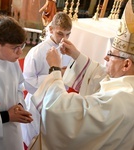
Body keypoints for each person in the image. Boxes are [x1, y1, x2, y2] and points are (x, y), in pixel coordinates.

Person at [29, 1, 134, 149]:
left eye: (111, 55)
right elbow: (101, 78)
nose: (105, 58)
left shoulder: (120, 101)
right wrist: (76, 55)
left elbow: (62, 112)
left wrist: (54, 69)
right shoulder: (126, 86)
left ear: (126, 64)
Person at [21, 11, 72, 147]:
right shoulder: (36, 52)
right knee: (36, 137)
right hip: (38, 102)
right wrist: (57, 73)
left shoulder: (67, 49)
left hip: (58, 100)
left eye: (68, 34)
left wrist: (66, 75)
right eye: (60, 33)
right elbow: (29, 81)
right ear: (50, 29)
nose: (64, 39)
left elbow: (68, 77)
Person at [0, 15, 33, 150]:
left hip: (13, 129)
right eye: (15, 48)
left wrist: (18, 105)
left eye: (21, 46)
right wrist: (7, 116)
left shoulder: (12, 61)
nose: (20, 52)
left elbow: (18, 87)